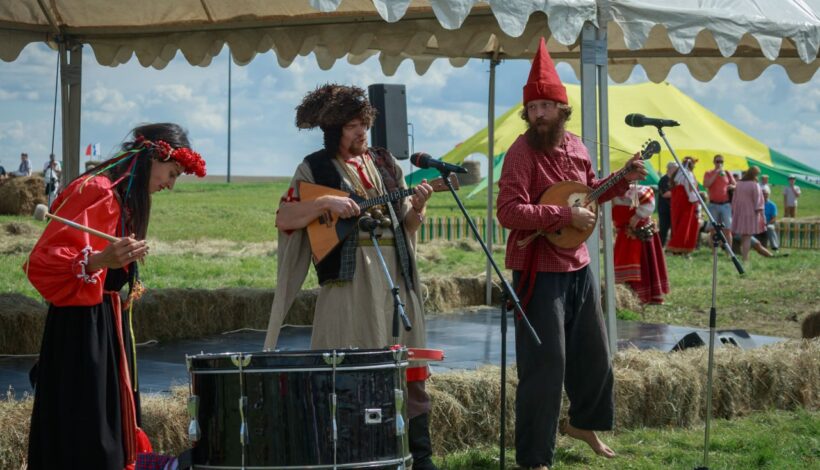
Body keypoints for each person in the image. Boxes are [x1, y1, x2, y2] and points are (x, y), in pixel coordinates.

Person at [263, 84, 437, 469]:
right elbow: (285, 218)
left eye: (364, 124)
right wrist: (324, 202)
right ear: (334, 130)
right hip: (349, 282)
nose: (361, 133)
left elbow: (405, 224)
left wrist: (419, 208)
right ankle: (349, 457)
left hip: (396, 278)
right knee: (345, 368)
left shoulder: (386, 162)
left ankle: (417, 459)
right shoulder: (315, 167)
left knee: (407, 369)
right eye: (353, 126)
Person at [496, 38, 647, 470]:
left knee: (594, 354)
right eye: (534, 107)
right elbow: (509, 212)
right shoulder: (521, 154)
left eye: (548, 105)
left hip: (577, 265)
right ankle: (534, 458)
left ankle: (582, 423)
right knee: (546, 366)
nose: (540, 114)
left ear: (563, 109)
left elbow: (592, 191)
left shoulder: (578, 147)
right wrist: (563, 213)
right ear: (526, 113)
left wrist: (623, 179)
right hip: (537, 272)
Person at [24, 123, 206, 470]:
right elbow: (42, 263)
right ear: (153, 157)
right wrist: (100, 260)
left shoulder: (124, 197)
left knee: (105, 427)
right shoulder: (98, 190)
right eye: (172, 173)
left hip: (105, 323)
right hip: (80, 329)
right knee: (88, 432)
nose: (170, 184)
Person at [612, 186, 670, 304]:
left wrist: (638, 215)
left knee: (644, 262)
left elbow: (648, 202)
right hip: (624, 233)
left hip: (640, 233)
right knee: (624, 260)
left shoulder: (639, 191)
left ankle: (645, 295)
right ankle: (627, 294)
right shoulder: (610, 194)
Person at [666, 156, 700, 255]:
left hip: (677, 203)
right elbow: (690, 190)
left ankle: (677, 249)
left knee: (678, 224)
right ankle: (678, 247)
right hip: (687, 203)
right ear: (692, 164)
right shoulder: (687, 174)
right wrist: (696, 203)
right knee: (686, 225)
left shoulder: (678, 173)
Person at [731, 166, 765, 261]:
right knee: (747, 236)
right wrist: (760, 212)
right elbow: (758, 200)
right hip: (751, 213)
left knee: (744, 236)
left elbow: (734, 199)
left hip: (740, 212)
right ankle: (745, 258)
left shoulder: (739, 184)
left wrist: (734, 210)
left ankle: (744, 257)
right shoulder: (754, 185)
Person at [702, 154, 735, 243]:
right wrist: (716, 173)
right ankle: (714, 253)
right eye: (717, 161)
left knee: (727, 229)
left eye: (721, 161)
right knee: (713, 230)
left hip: (726, 204)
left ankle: (729, 253)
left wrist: (732, 186)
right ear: (714, 162)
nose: (719, 163)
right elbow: (706, 185)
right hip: (713, 204)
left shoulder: (727, 173)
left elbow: (735, 185)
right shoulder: (709, 173)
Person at [657, 161, 676, 246]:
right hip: (664, 209)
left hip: (674, 209)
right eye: (675, 168)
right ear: (670, 169)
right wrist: (678, 193)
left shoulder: (675, 180)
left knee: (674, 229)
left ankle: (672, 247)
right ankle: (661, 247)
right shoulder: (663, 180)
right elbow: (665, 194)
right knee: (663, 229)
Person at [761, 186, 780, 251]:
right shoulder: (758, 204)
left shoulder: (772, 205)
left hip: (769, 223)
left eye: (766, 194)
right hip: (759, 223)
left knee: (770, 228)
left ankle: (775, 247)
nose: (764, 195)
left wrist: (766, 224)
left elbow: (774, 218)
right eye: (763, 194)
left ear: (768, 194)